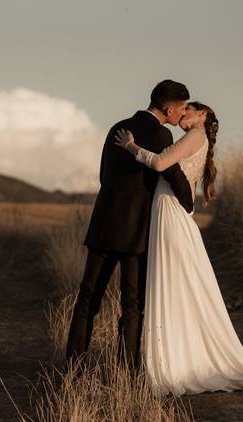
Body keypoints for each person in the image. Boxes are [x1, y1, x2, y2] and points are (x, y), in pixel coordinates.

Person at [113, 101, 243, 396]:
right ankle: (177, 354)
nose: (183, 114)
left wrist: (130, 146)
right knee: (177, 285)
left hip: (170, 212)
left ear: (203, 115)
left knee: (171, 283)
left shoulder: (196, 136)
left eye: (189, 110)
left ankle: (179, 361)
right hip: (169, 211)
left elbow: (159, 164)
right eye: (182, 111)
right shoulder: (196, 138)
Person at [65, 79, 194, 370]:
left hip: (104, 223)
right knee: (132, 305)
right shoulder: (161, 135)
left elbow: (103, 175)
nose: (183, 114)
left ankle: (73, 366)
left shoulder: (117, 127)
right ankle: (126, 371)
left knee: (88, 299)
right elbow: (172, 175)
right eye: (182, 108)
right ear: (168, 108)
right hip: (135, 232)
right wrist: (189, 203)